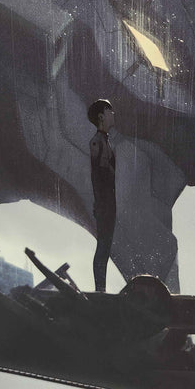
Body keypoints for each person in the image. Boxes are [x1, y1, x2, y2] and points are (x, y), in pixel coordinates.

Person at [87, 99, 116, 292]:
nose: (113, 114)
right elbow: (97, 175)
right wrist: (100, 203)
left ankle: (101, 288)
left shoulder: (105, 141)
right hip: (105, 202)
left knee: (105, 247)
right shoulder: (97, 142)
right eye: (109, 110)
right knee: (103, 246)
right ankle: (100, 289)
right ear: (101, 116)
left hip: (108, 201)